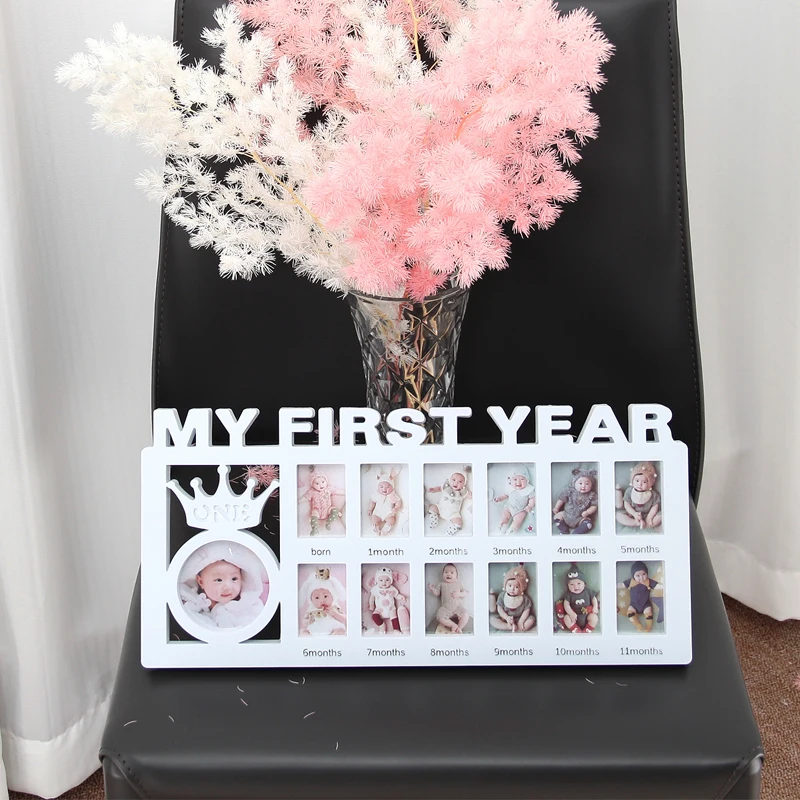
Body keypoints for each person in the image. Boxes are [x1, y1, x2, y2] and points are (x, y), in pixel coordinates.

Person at [179, 541, 266, 630]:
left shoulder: (248, 605)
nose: (228, 587)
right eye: (219, 580)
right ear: (201, 582)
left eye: (234, 579)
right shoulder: (193, 604)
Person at [616, 462, 662, 530]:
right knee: (618, 515)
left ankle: (646, 524)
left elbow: (655, 506)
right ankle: (636, 523)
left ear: (650, 483)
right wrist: (634, 513)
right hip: (632, 514)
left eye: (644, 482)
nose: (639, 484)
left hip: (648, 514)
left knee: (661, 516)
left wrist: (649, 517)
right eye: (637, 481)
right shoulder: (629, 491)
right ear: (632, 480)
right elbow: (627, 504)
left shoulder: (653, 494)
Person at [490, 564, 536, 632]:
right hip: (505, 619)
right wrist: (506, 617)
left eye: (516, 587)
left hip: (520, 618)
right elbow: (499, 608)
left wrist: (521, 621)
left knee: (531, 620)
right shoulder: (502, 596)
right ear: (505, 585)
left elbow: (527, 610)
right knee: (492, 619)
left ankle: (519, 628)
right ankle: (508, 627)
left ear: (521, 588)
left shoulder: (524, 598)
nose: (512, 589)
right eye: (510, 585)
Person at [553, 467, 598, 535]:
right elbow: (562, 499)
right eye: (580, 483)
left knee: (588, 523)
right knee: (557, 516)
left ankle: (577, 532)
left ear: (591, 485)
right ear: (574, 483)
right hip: (566, 515)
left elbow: (594, 506)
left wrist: (587, 512)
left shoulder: (592, 495)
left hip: (581, 518)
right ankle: (564, 529)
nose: (583, 486)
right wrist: (556, 508)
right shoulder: (570, 491)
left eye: (587, 484)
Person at [618, 561, 661, 632]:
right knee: (630, 613)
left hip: (646, 604)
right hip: (633, 604)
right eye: (638, 575)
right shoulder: (631, 582)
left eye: (644, 574)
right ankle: (637, 624)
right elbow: (622, 585)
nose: (641, 577)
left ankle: (648, 627)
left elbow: (656, 586)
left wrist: (665, 587)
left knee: (649, 613)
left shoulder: (648, 581)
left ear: (647, 574)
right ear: (633, 576)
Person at [556, 563, 599, 633]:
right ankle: (576, 630)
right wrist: (570, 613)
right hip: (574, 616)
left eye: (579, 583)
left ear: (584, 584)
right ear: (568, 586)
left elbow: (594, 599)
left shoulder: (588, 591)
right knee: (566, 618)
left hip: (587, 615)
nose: (576, 587)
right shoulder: (569, 594)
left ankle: (587, 630)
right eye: (571, 584)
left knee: (594, 617)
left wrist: (595, 607)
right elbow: (566, 605)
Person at [493, 465, 536, 535]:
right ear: (511, 481)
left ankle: (513, 530)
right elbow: (505, 495)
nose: (518, 482)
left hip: (521, 509)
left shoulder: (529, 489)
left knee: (518, 519)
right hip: (509, 507)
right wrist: (499, 498)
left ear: (527, 480)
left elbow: (532, 498)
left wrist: (530, 506)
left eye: (522, 479)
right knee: (504, 515)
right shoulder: (510, 488)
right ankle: (502, 525)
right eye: (515, 479)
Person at [428, 563, 470, 633]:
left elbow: (466, 592)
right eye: (446, 572)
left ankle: (459, 627)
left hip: (457, 607)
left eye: (452, 572)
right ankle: (453, 625)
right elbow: (437, 593)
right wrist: (433, 589)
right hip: (445, 608)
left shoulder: (458, 584)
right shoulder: (441, 584)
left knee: (466, 614)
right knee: (439, 616)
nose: (448, 574)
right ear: (442, 575)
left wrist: (459, 594)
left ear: (456, 576)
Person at [428, 470, 472, 536]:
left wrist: (471, 495)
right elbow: (439, 488)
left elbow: (469, 496)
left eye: (460, 481)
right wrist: (434, 490)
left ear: (464, 484)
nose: (456, 483)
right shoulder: (446, 487)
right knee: (432, 508)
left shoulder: (463, 492)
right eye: (454, 480)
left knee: (459, 523)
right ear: (449, 480)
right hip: (440, 508)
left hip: (453, 514)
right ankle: (434, 521)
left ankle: (449, 532)